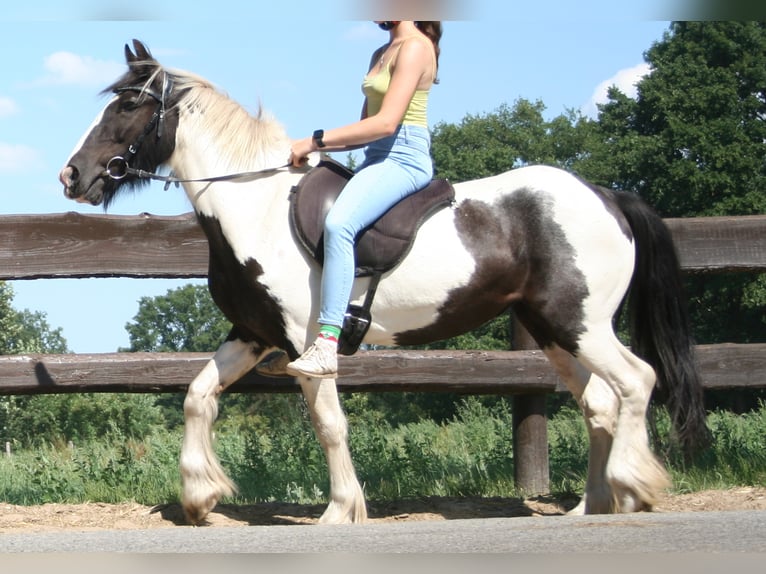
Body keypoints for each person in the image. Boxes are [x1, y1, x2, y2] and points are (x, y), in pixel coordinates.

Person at [285, 20, 442, 379]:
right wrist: (316, 152)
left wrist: (315, 140)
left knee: (340, 224)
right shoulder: (381, 52)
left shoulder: (416, 48)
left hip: (404, 158)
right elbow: (363, 131)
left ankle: (327, 344)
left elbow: (387, 124)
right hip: (375, 158)